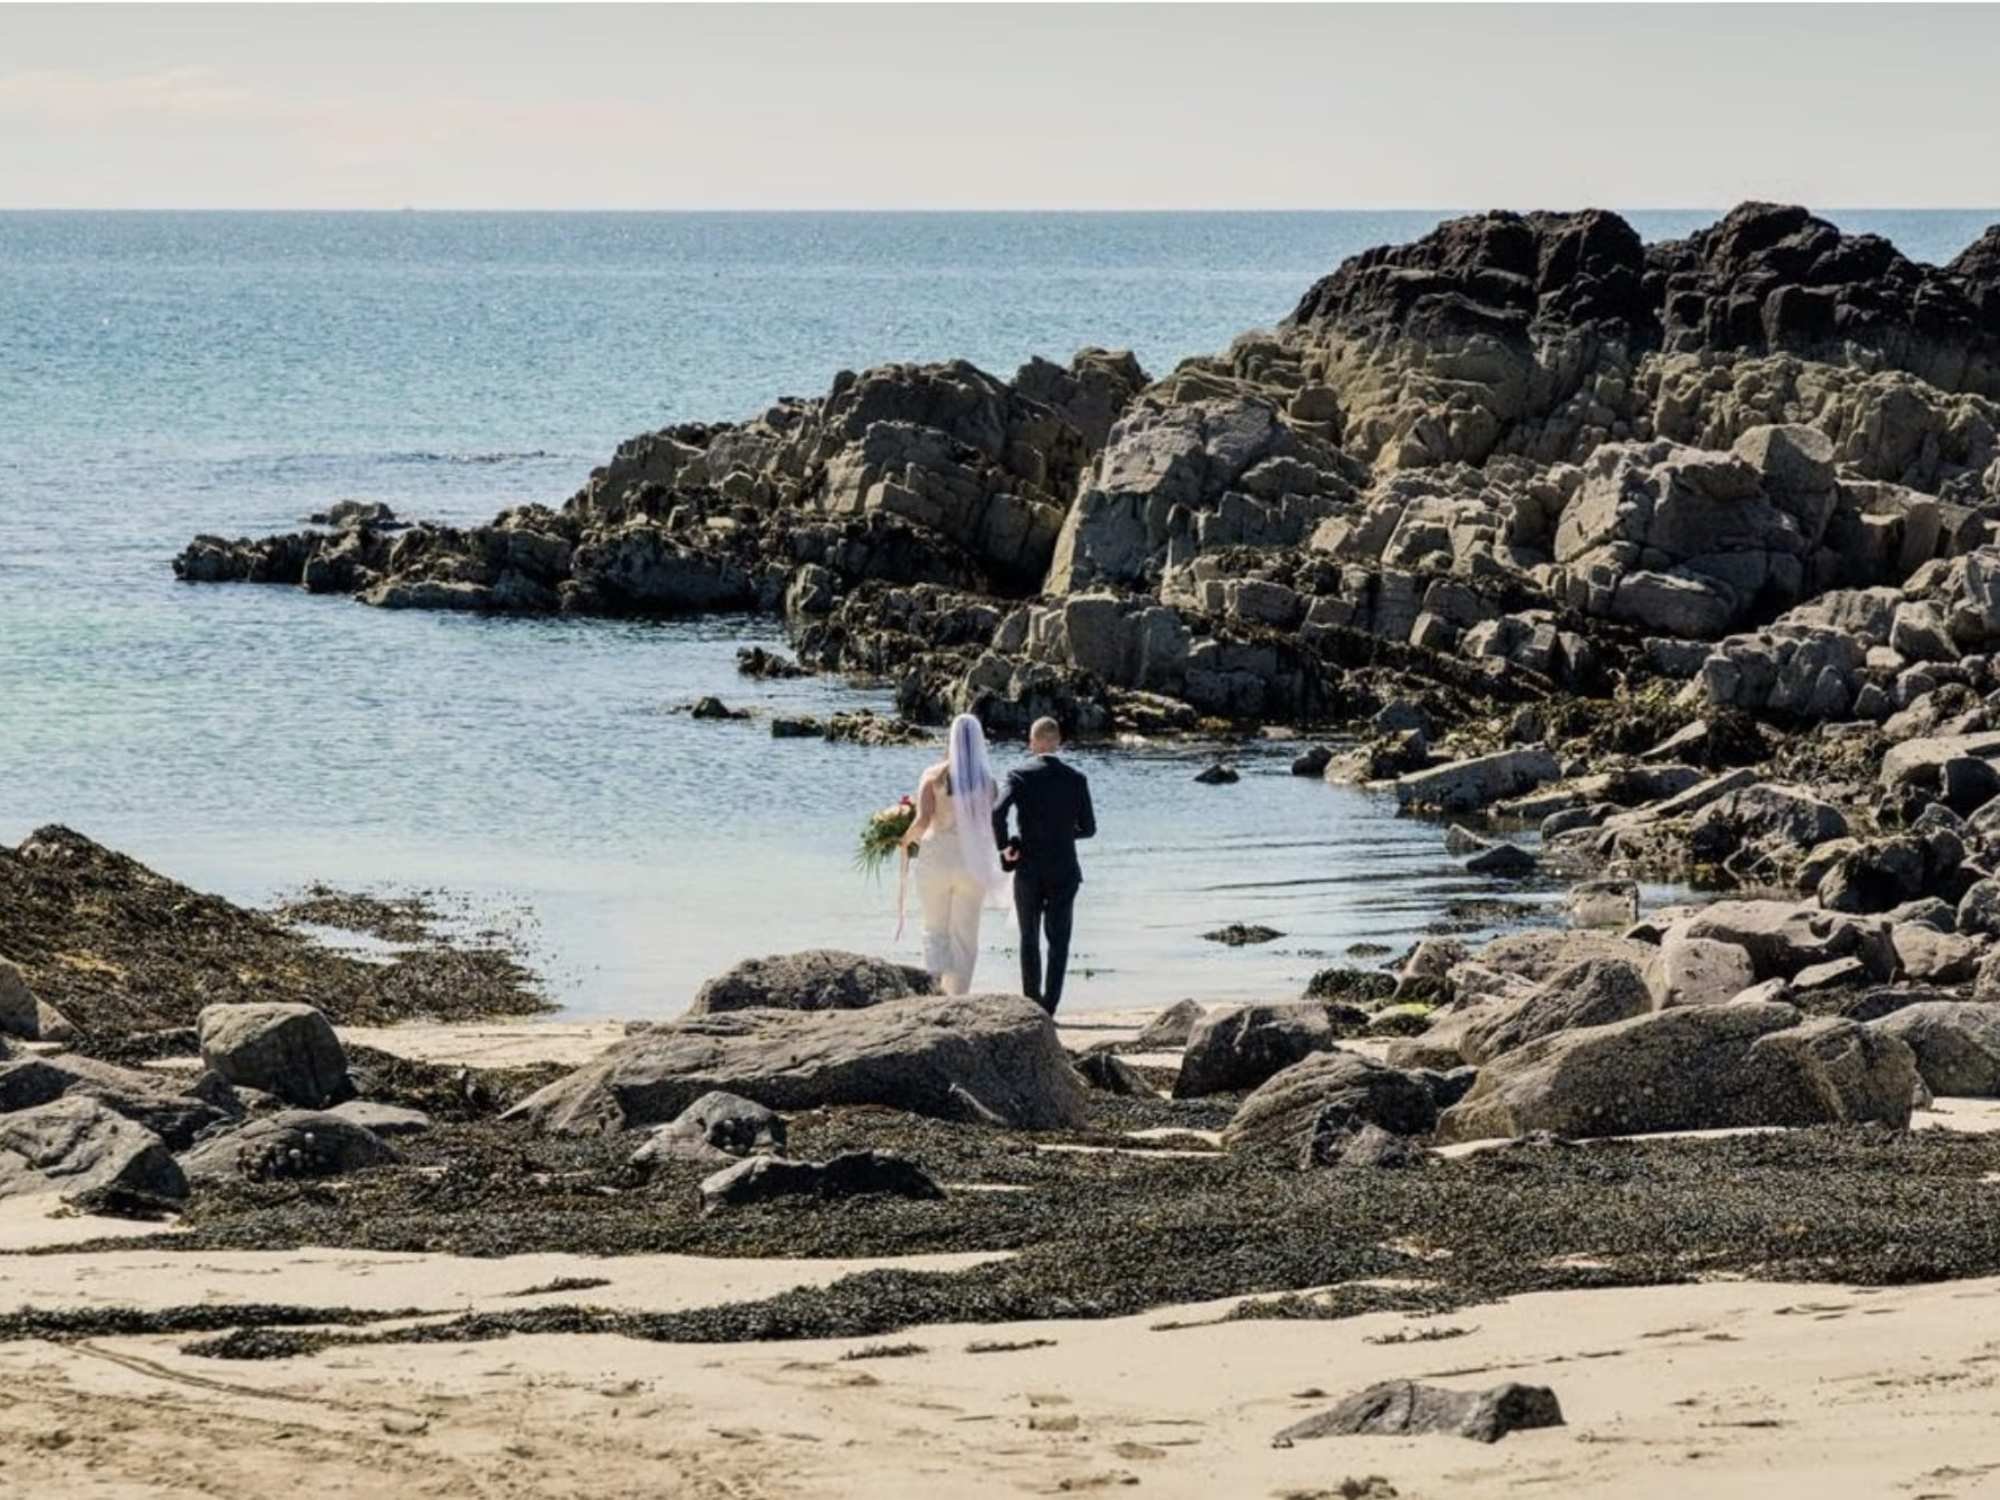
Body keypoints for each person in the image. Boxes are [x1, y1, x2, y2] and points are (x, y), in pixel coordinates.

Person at [991, 716, 1096, 1014]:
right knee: (1059, 939)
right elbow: (1088, 829)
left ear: (1033, 742)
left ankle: (1031, 1005)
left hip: (1029, 865)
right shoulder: (1076, 778)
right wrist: (1063, 833)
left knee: (1029, 936)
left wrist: (1006, 846)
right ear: (1058, 742)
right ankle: (1050, 1006)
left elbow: (997, 812)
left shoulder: (1018, 774)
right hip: (1064, 867)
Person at [900, 713, 1008, 995]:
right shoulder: (989, 783)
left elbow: (923, 821)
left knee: (934, 927)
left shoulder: (933, 776)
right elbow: (989, 828)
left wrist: (903, 840)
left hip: (936, 858)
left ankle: (934, 990)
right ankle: (958, 996)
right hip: (971, 862)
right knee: (965, 935)